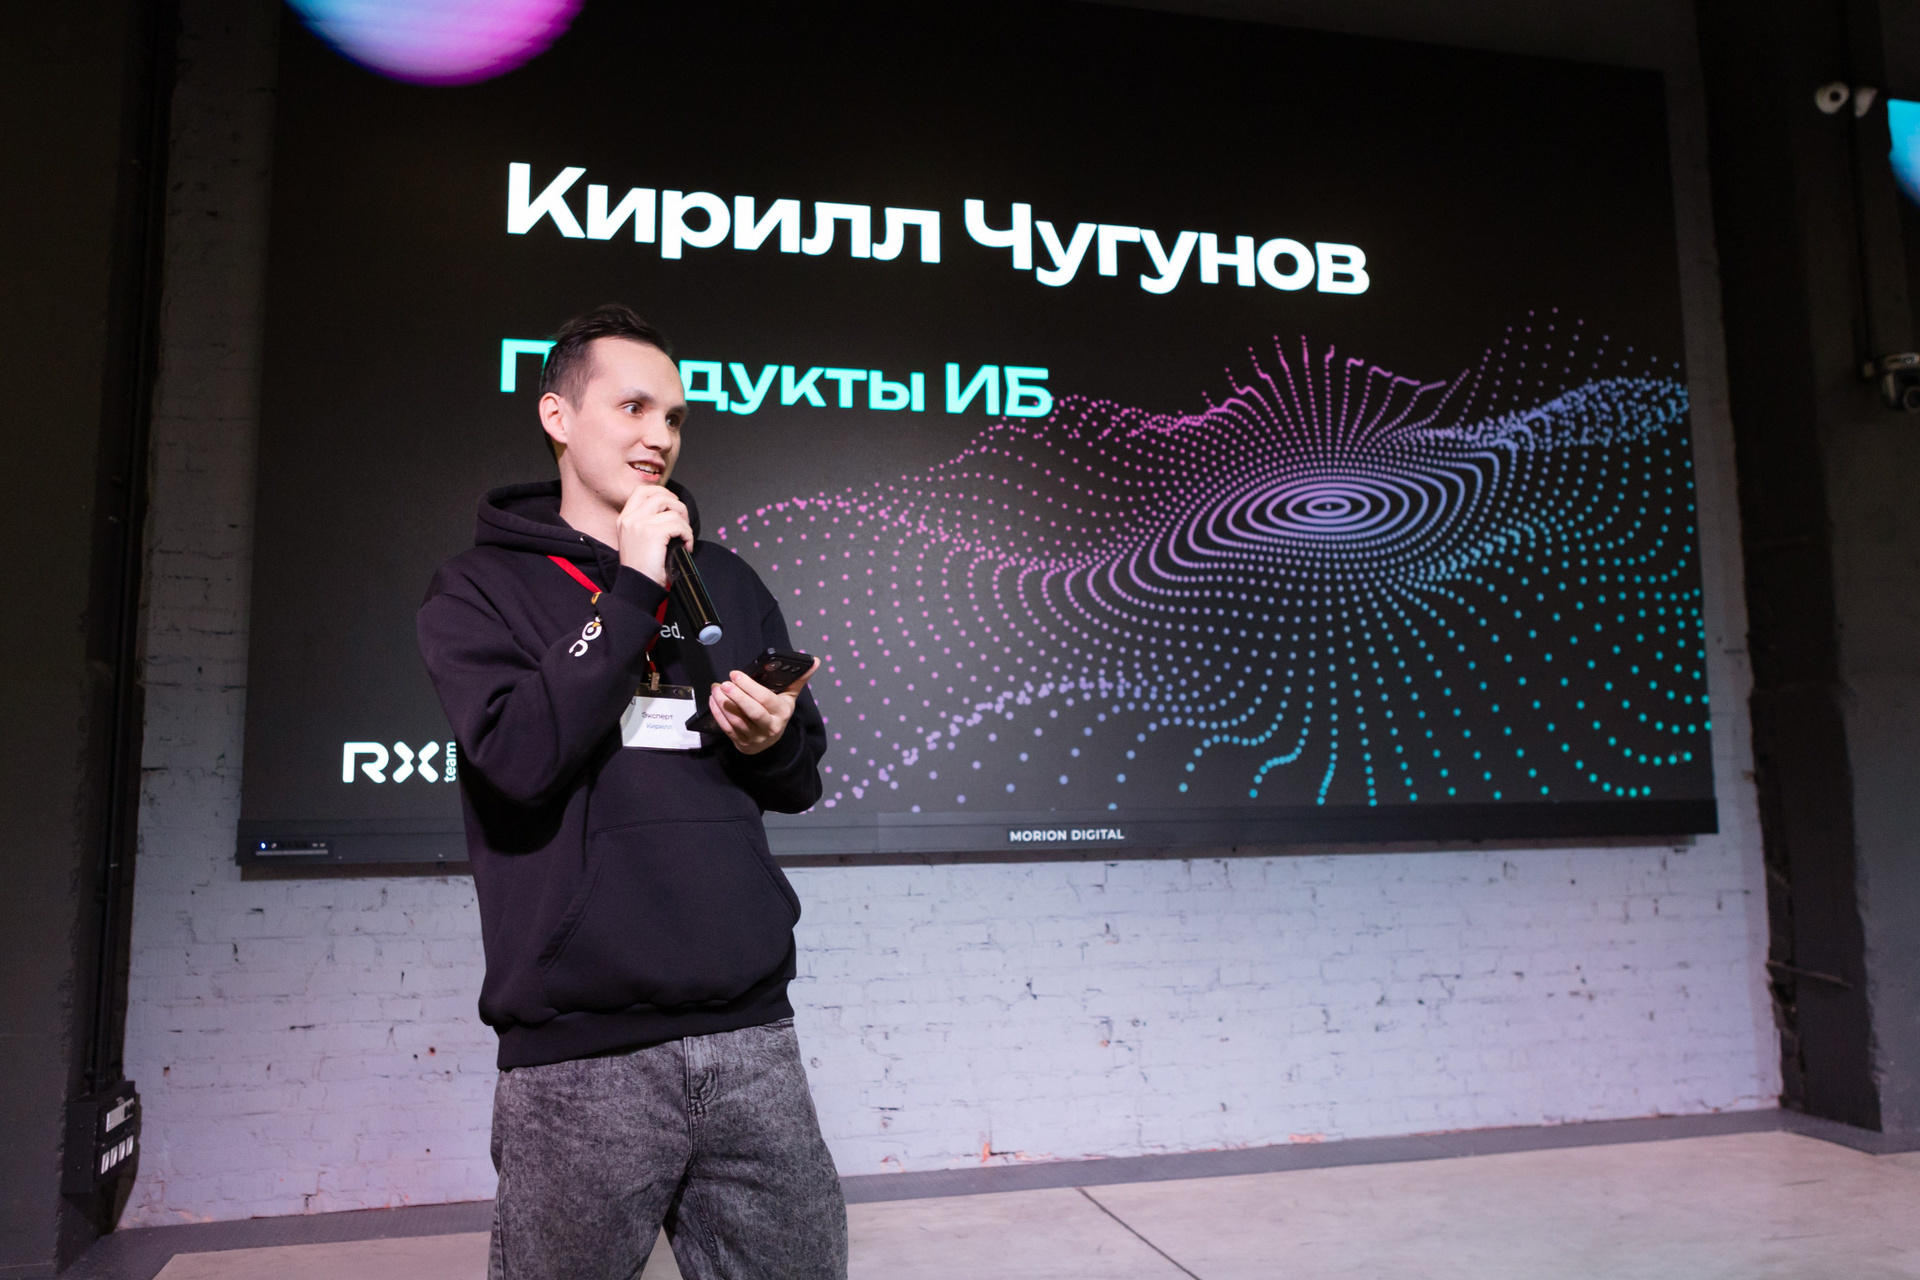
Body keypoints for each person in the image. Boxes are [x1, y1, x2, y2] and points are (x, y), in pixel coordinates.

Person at [416, 304, 845, 1278]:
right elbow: (519, 757)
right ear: (558, 416)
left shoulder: (725, 580)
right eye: (634, 407)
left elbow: (798, 777)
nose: (660, 436)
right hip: (581, 1059)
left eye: (676, 417)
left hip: (751, 1035)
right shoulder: (477, 589)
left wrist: (771, 737)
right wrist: (631, 591)